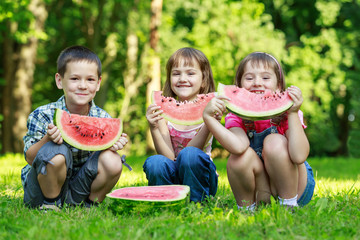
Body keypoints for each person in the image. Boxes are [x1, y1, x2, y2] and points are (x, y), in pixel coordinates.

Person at [203, 52, 315, 211]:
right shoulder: (236, 117)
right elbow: (238, 147)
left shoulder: (287, 113)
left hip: (296, 187)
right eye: (249, 78)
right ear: (239, 86)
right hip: (263, 189)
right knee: (238, 158)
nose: (257, 83)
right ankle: (247, 209)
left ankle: (289, 205)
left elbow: (299, 156)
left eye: (265, 78)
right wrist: (209, 119)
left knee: (274, 141)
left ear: (279, 86)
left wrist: (292, 113)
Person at [21, 45, 128, 211]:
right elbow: (29, 158)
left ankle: (88, 205)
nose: (83, 86)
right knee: (54, 151)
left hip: (80, 189)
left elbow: (102, 160)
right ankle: (51, 204)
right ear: (59, 80)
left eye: (90, 80)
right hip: (40, 192)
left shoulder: (103, 117)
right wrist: (47, 139)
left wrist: (112, 145)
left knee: (113, 160)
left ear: (98, 83)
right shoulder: (42, 114)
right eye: (75, 79)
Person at [143, 47, 218, 202]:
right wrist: (154, 128)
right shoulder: (163, 111)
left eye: (190, 73)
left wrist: (209, 121)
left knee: (189, 154)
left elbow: (193, 152)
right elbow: (169, 157)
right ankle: (165, 202)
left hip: (202, 177)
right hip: (173, 175)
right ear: (170, 79)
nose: (182, 78)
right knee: (155, 162)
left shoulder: (209, 111)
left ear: (203, 79)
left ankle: (197, 204)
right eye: (176, 73)